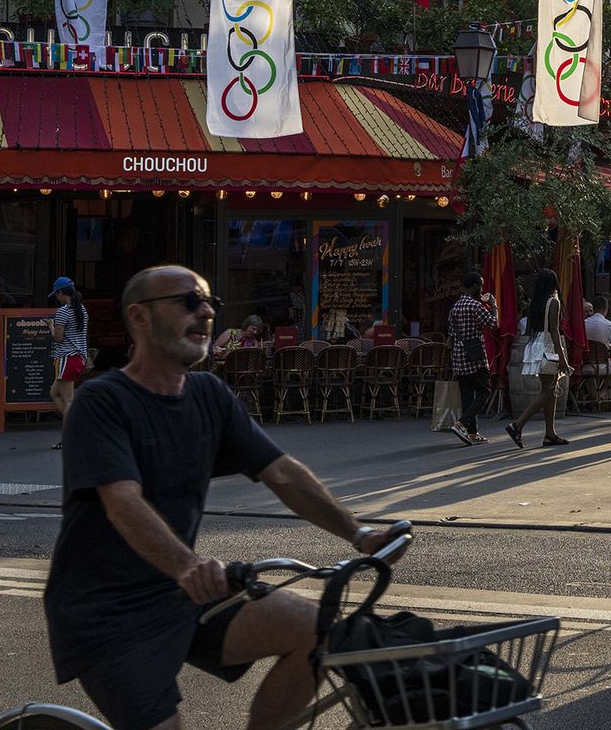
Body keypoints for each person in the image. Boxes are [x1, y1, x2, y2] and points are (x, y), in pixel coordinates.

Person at [43, 264, 402, 730]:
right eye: (188, 302)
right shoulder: (102, 403)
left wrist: (360, 534)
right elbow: (123, 503)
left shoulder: (209, 395)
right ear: (140, 317)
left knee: (316, 631)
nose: (206, 312)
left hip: (177, 594)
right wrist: (188, 566)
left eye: (210, 302)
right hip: (106, 615)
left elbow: (283, 473)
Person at [505, 269, 572, 448]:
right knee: (548, 391)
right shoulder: (553, 302)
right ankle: (517, 425)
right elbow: (554, 331)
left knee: (551, 389)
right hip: (548, 347)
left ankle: (550, 434)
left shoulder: (536, 303)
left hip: (535, 346)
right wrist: (562, 357)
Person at [445, 271, 497, 446]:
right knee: (485, 391)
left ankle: (472, 434)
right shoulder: (475, 306)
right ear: (474, 286)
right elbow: (493, 324)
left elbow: (451, 335)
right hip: (475, 356)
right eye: (480, 286)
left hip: (459, 356)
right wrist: (493, 305)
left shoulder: (455, 307)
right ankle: (461, 424)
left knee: (467, 395)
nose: (481, 289)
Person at [49, 277, 90, 448]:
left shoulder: (63, 311)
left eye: (56, 294)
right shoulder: (81, 309)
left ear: (60, 292)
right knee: (54, 393)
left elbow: (58, 338)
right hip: (78, 357)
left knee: (68, 400)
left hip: (66, 357)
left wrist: (50, 325)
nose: (56, 297)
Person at [581, 299, 611, 395]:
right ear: (606, 309)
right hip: (601, 365)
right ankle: (603, 395)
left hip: (584, 365)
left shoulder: (583, 324)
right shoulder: (609, 325)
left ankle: (594, 397)